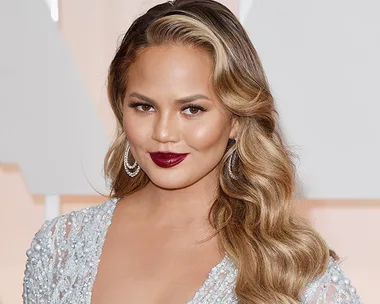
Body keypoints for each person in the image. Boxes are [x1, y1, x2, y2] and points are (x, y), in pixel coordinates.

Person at [22, 0, 361, 303]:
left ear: (237, 120)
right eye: (143, 107)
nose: (164, 133)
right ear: (120, 107)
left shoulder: (291, 270)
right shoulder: (59, 246)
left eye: (192, 110)